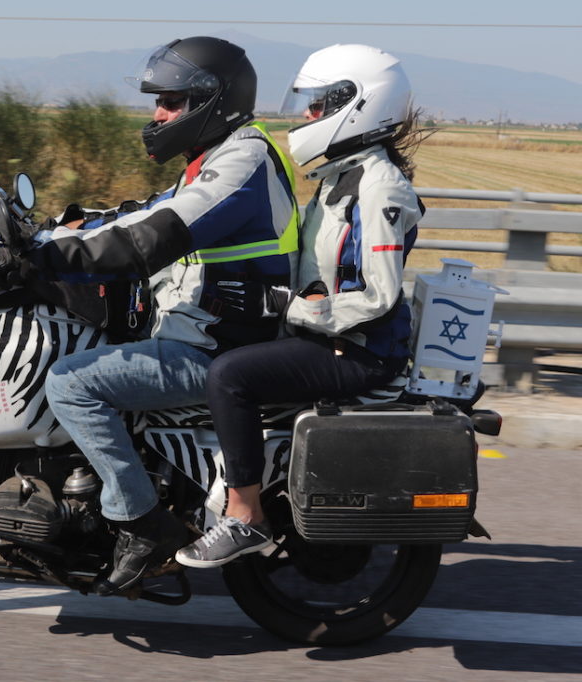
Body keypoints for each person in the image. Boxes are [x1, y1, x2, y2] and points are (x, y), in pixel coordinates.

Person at [0, 36, 300, 595]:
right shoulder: (216, 159)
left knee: (69, 383)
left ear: (213, 100)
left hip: (218, 345)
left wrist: (48, 257)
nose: (157, 114)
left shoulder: (245, 159)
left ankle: (140, 525)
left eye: (171, 102)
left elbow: (155, 236)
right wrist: (60, 230)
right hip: (203, 328)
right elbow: (142, 211)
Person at [175, 44, 427, 568]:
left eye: (319, 104)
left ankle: (244, 517)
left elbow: (376, 297)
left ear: (359, 104)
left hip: (358, 350)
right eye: (309, 104)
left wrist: (288, 307)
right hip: (330, 336)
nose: (308, 116)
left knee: (228, 377)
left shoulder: (378, 189)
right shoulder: (341, 179)